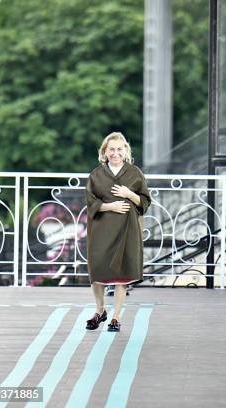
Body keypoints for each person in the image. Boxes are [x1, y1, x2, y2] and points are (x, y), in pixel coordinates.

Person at [85, 132, 151, 332]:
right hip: (101, 230)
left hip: (126, 230)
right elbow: (90, 203)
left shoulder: (135, 173)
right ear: (104, 152)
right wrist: (110, 207)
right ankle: (100, 310)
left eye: (119, 149)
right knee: (98, 272)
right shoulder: (96, 175)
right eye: (111, 149)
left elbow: (145, 202)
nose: (115, 153)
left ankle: (115, 317)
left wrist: (129, 194)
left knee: (122, 274)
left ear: (126, 151)